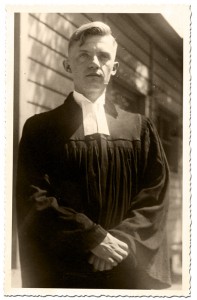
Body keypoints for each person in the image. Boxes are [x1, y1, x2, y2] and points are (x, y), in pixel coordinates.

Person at [16, 21, 171, 289]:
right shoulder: (40, 128)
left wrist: (121, 242)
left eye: (103, 56)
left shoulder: (140, 127)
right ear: (68, 66)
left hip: (126, 267)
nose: (94, 63)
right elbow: (33, 197)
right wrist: (92, 239)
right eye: (84, 55)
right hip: (65, 269)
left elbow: (155, 194)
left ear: (115, 68)